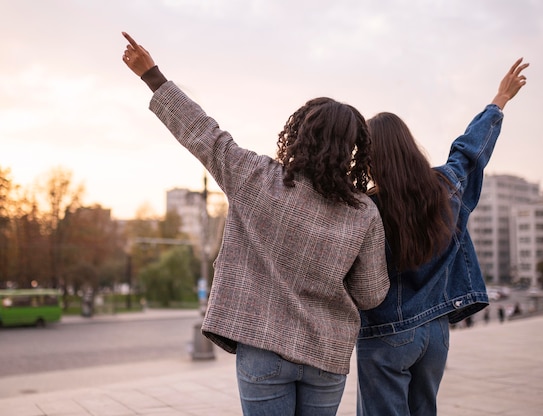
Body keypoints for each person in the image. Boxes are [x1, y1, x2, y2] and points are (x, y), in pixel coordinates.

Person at [120, 32, 389, 416]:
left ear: (299, 133)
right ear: (353, 149)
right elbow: (370, 295)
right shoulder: (363, 212)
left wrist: (153, 76)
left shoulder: (257, 177)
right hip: (326, 355)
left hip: (263, 344)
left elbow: (204, 134)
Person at [356, 58, 529, 416]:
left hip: (387, 334)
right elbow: (470, 151)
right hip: (435, 333)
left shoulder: (366, 208)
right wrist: (499, 100)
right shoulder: (446, 187)